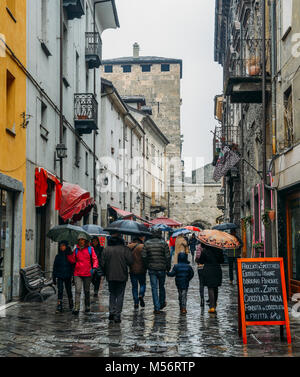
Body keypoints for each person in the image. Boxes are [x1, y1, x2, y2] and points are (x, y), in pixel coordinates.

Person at [101, 233, 133, 323]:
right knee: (120, 295)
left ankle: (112, 311)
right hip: (122, 275)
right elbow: (130, 261)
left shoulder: (106, 250)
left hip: (110, 275)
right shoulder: (125, 249)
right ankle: (117, 315)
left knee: (112, 294)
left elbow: (102, 263)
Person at [67, 233, 99, 315]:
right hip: (77, 273)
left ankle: (87, 306)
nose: (81, 241)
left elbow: (95, 259)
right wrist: (69, 253)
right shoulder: (76, 250)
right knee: (77, 290)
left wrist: (94, 268)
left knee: (87, 291)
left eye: (82, 240)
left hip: (87, 273)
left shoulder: (90, 249)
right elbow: (73, 260)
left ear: (85, 241)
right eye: (79, 240)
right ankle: (76, 307)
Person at [142, 229, 171, 314]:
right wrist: (168, 267)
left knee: (154, 288)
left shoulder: (147, 243)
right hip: (162, 268)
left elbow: (143, 256)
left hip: (152, 268)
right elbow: (167, 256)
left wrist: (147, 265)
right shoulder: (164, 243)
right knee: (161, 286)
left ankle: (156, 307)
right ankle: (162, 303)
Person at [198, 242, 224, 313]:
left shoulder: (205, 251)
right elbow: (222, 260)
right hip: (217, 269)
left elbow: (201, 261)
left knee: (210, 287)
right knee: (215, 287)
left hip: (208, 270)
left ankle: (212, 306)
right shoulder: (219, 250)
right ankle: (214, 303)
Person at [52, 240, 74, 313]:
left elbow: (73, 266)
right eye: (60, 246)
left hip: (68, 276)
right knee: (60, 291)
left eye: (63, 245)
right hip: (60, 276)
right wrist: (54, 277)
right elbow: (55, 267)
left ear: (66, 246)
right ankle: (59, 305)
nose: (61, 247)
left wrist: (73, 276)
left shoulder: (70, 256)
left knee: (68, 291)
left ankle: (71, 304)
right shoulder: (58, 256)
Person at [128, 235, 147, 309]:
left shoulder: (128, 246)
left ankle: (136, 302)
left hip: (132, 270)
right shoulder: (142, 246)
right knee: (142, 284)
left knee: (134, 287)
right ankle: (141, 295)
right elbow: (145, 257)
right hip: (142, 269)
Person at [195, 242, 205, 307]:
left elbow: (197, 258)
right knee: (210, 285)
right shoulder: (209, 247)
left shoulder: (199, 246)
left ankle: (202, 298)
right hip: (207, 267)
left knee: (201, 284)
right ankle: (211, 300)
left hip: (200, 267)